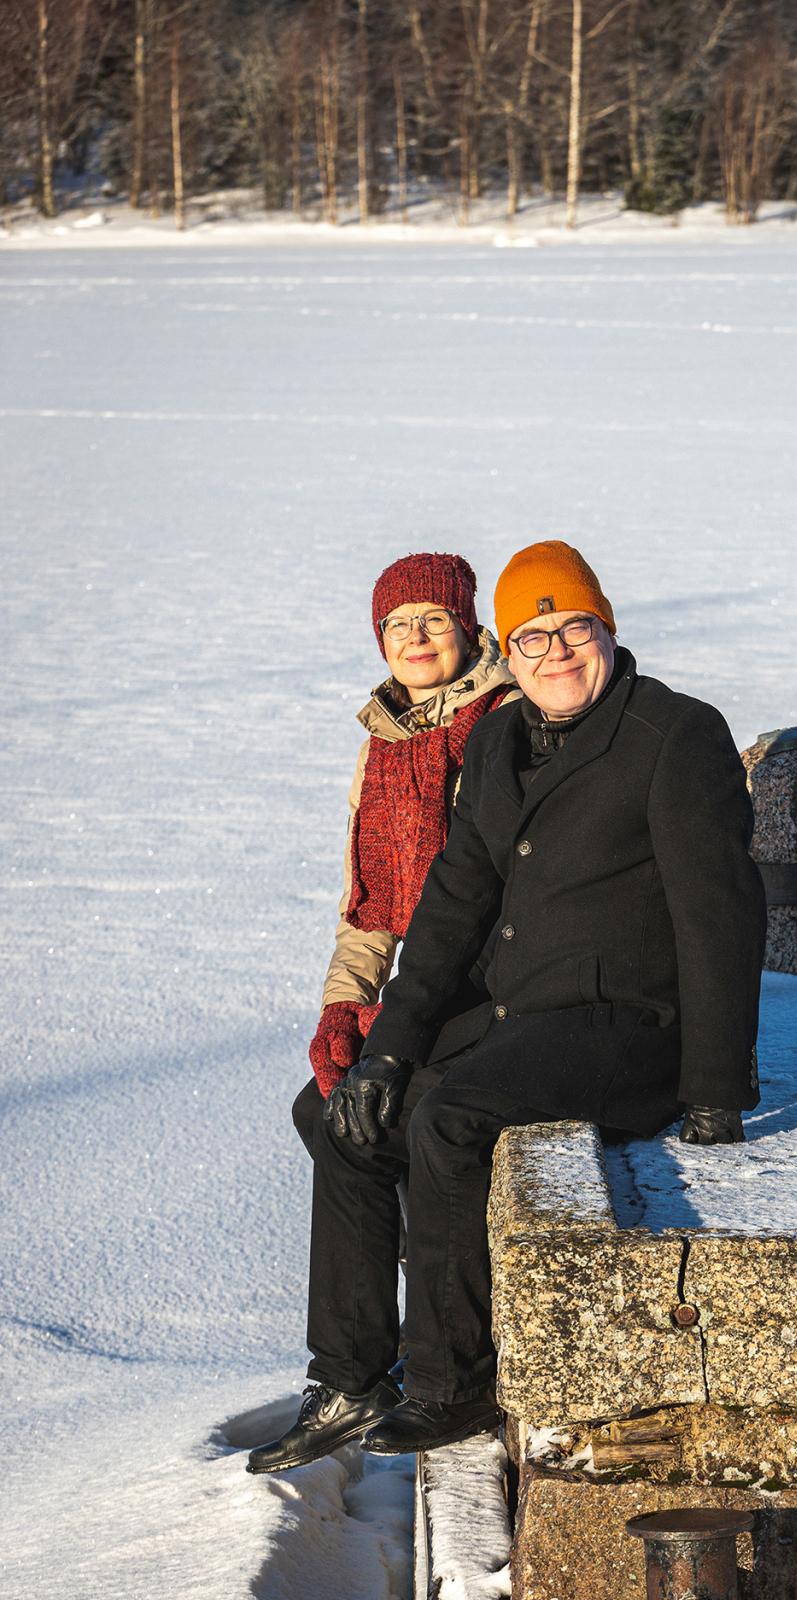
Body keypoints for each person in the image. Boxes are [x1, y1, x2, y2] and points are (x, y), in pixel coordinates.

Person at [252, 538, 765, 1470]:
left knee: (449, 1117)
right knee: (338, 1110)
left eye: (574, 628)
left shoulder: (673, 734)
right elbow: (450, 908)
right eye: (533, 636)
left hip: (628, 1025)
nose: (556, 652)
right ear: (509, 649)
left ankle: (453, 1382)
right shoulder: (499, 739)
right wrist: (388, 1048)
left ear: (605, 629)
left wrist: (715, 1088)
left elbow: (720, 917)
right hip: (521, 1013)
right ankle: (351, 1374)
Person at [248, 550, 514, 1474]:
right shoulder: (382, 740)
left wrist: (399, 1025)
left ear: (469, 629)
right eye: (397, 624)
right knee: (323, 1107)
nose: (414, 637)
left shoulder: (502, 722)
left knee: (372, 1123)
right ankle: (356, 1375)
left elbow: (486, 899)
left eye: (432, 621)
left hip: (494, 985)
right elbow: (367, 911)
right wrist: (341, 1008)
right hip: (417, 991)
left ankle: (391, 1373)